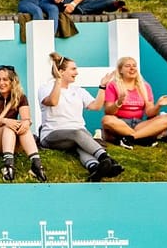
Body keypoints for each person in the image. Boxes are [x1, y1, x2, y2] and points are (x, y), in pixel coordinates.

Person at [38, 52, 124, 181]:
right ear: (61, 72)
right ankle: (106, 158)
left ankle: (94, 168)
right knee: (78, 134)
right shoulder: (45, 88)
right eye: (73, 69)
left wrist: (102, 86)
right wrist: (58, 81)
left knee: (80, 142)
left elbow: (96, 106)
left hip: (78, 135)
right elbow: (53, 101)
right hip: (52, 134)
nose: (77, 72)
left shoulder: (78, 90)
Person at [0, 65, 46, 182]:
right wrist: (5, 121)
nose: (1, 83)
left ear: (12, 82)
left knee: (22, 127)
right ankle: (8, 165)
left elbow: (26, 118)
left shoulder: (21, 98)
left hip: (11, 139)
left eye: (5, 80)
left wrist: (26, 123)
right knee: (9, 127)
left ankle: (36, 164)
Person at [100, 56, 167, 148]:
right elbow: (108, 112)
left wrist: (158, 105)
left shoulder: (145, 86)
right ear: (120, 70)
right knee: (106, 119)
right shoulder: (113, 85)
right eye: (128, 66)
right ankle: (143, 138)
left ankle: (132, 138)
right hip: (120, 123)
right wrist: (118, 103)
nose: (132, 68)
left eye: (134, 66)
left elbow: (150, 113)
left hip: (139, 124)